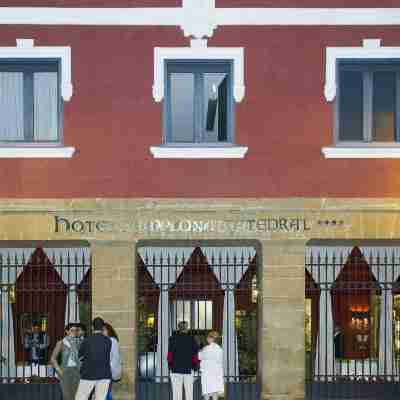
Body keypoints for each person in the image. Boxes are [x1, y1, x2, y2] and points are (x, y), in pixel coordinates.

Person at [75, 317, 112, 400]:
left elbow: (80, 356)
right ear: (102, 327)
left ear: (92, 327)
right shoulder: (108, 341)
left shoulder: (87, 340)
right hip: (104, 374)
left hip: (88, 373)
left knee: (80, 398)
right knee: (100, 398)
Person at [168, 321, 199, 400]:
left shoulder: (172, 339)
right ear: (187, 328)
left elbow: (169, 355)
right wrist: (195, 368)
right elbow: (195, 356)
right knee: (189, 393)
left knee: (176, 393)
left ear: (179, 328)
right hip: (188, 369)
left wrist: (170, 366)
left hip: (175, 369)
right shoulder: (192, 339)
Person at [51, 323, 81, 400]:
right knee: (67, 396)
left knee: (77, 396)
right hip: (65, 371)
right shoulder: (61, 343)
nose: (74, 332)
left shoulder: (80, 342)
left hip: (77, 371)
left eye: (76, 330)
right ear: (67, 331)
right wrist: (59, 370)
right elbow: (53, 358)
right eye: (72, 330)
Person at [198, 331, 224, 400]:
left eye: (208, 337)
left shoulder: (206, 349)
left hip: (207, 373)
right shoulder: (220, 349)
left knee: (206, 392)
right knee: (215, 393)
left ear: (212, 338)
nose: (207, 339)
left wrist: (200, 350)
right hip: (216, 373)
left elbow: (199, 357)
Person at [102, 322, 122, 400]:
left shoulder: (111, 340)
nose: (102, 332)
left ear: (109, 331)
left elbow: (112, 356)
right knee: (106, 392)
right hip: (108, 370)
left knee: (105, 392)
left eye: (104, 330)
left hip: (108, 370)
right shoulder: (111, 340)